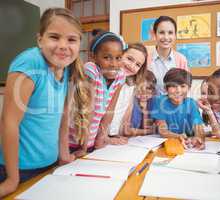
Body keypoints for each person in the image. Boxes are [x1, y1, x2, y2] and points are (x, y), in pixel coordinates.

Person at [0, 8, 82, 197]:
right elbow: (8, 123)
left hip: (49, 165)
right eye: (54, 37)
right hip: (19, 170)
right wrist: (12, 179)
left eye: (71, 39)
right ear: (39, 40)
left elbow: (63, 116)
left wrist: (63, 154)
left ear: (79, 43)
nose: (63, 45)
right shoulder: (29, 63)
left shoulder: (66, 67)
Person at [67, 30, 126, 157]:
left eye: (118, 58)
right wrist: (83, 147)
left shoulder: (120, 76)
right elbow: (87, 111)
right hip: (73, 141)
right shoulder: (91, 70)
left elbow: (110, 110)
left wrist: (101, 138)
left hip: (91, 142)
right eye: (106, 57)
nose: (114, 64)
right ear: (93, 56)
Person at [105, 43, 150, 142]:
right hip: (99, 138)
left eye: (138, 65)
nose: (131, 66)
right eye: (129, 59)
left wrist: (117, 135)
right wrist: (106, 139)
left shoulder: (131, 87)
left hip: (113, 137)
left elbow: (124, 117)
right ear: (120, 55)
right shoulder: (105, 81)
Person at [151, 68, 205, 149]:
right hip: (169, 144)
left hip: (188, 145)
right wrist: (178, 136)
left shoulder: (191, 104)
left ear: (189, 88)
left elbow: (199, 128)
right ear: (166, 88)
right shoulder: (160, 101)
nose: (178, 91)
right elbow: (163, 131)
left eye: (183, 86)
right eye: (173, 86)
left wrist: (199, 138)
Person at [147, 16, 189, 94]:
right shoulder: (146, 59)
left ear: (175, 35)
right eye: (161, 32)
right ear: (155, 34)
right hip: (151, 104)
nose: (166, 37)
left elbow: (185, 86)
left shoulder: (181, 59)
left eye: (170, 33)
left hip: (175, 104)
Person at [121, 70, 157, 137]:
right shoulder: (129, 99)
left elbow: (146, 128)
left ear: (153, 91)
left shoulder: (152, 101)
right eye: (140, 88)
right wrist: (150, 131)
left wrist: (145, 110)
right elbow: (126, 131)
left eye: (148, 89)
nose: (144, 93)